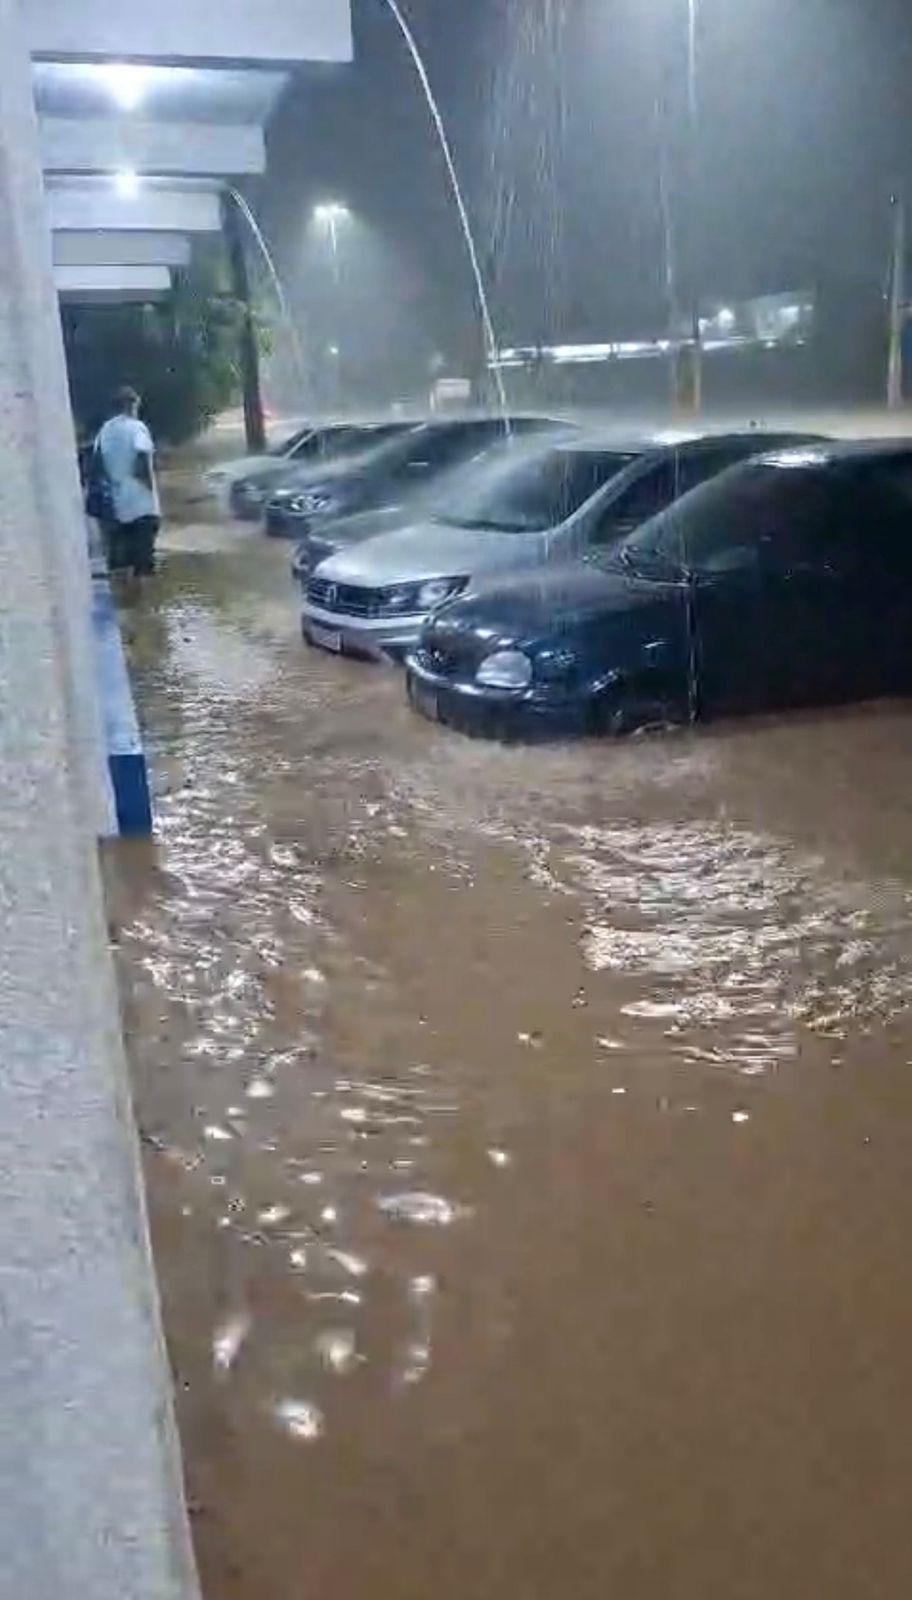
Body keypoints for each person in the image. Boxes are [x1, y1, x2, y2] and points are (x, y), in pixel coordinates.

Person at [95, 386, 161, 578]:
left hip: (115, 507)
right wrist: (151, 493)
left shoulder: (104, 431)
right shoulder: (137, 427)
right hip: (141, 505)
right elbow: (141, 461)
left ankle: (126, 605)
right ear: (132, 404)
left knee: (121, 566)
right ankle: (144, 606)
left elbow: (96, 467)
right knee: (144, 566)